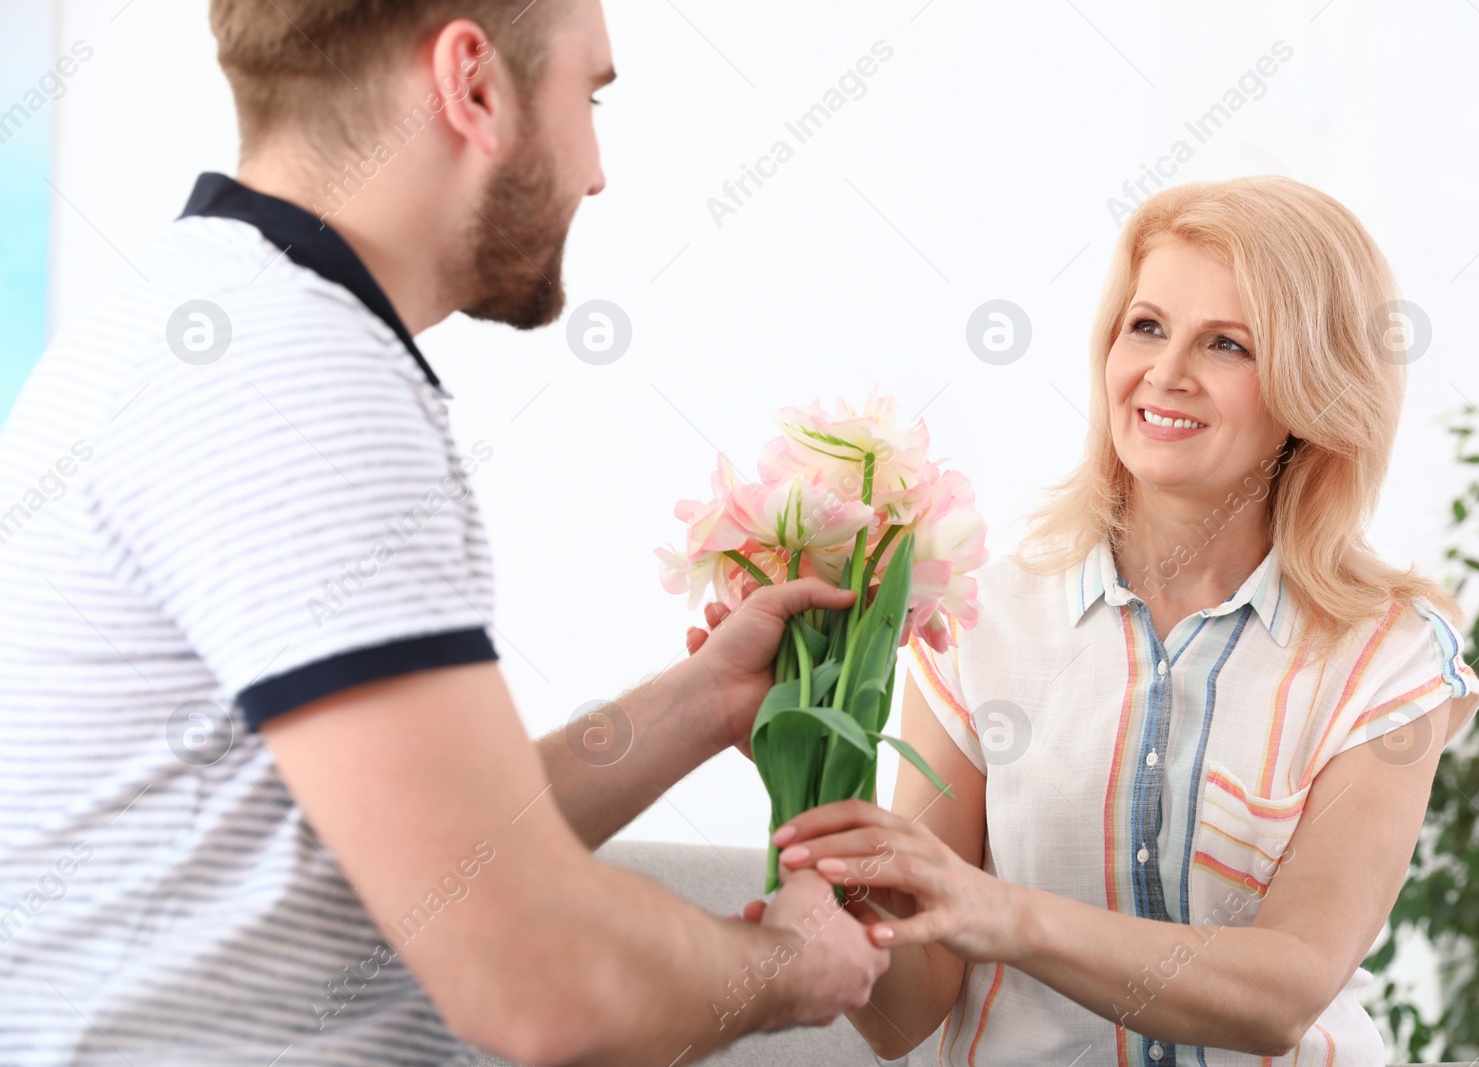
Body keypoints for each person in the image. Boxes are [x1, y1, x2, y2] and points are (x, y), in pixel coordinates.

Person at [0, 1, 890, 1064]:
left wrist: (705, 701)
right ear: (472, 84)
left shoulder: (190, 317)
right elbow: (535, 976)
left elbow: (430, 858)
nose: (598, 170)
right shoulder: (299, 379)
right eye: (589, 98)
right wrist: (787, 966)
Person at [764, 176, 1479, 1063]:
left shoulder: (1388, 655)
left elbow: (1287, 988)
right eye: (1147, 326)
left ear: (1314, 386)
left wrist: (1004, 911)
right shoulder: (983, 617)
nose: (1166, 373)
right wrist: (809, 790)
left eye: (1227, 343)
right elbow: (904, 1015)